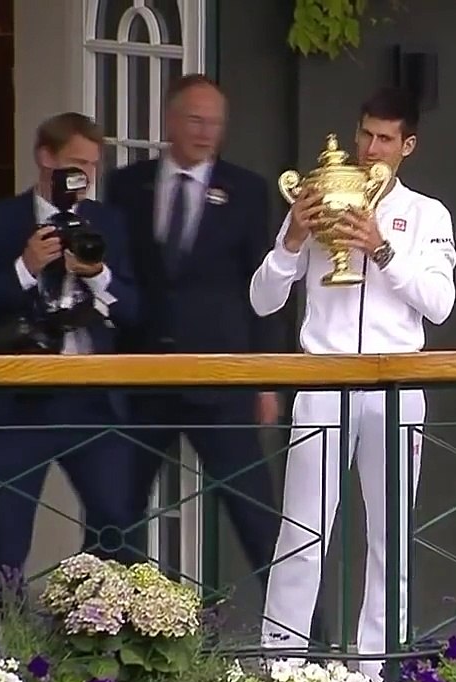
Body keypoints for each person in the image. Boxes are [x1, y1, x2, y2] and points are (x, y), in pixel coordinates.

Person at [250, 87, 456, 680]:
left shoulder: (427, 215)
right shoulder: (318, 198)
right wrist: (291, 238)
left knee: (389, 540)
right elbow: (263, 301)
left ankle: (374, 676)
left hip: (397, 387)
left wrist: (383, 249)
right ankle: (281, 672)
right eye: (365, 134)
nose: (370, 149)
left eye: (385, 139)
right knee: (302, 534)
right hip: (323, 380)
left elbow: (440, 305)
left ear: (407, 146)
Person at [104, 74, 286, 600]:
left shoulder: (248, 190)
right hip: (143, 378)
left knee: (256, 517)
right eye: (195, 120)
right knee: (117, 514)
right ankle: (117, 632)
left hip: (221, 379)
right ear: (170, 121)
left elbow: (265, 288)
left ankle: (308, 645)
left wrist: (266, 379)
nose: (207, 132)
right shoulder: (126, 186)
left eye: (216, 123)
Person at [0, 112, 142, 576]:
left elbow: (137, 311)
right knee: (4, 541)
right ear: (45, 157)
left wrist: (100, 277)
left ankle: (93, 631)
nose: (84, 176)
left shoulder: (112, 224)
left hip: (92, 398)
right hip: (18, 401)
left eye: (93, 165)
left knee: (118, 526)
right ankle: (3, 642)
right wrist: (25, 267)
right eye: (75, 162)